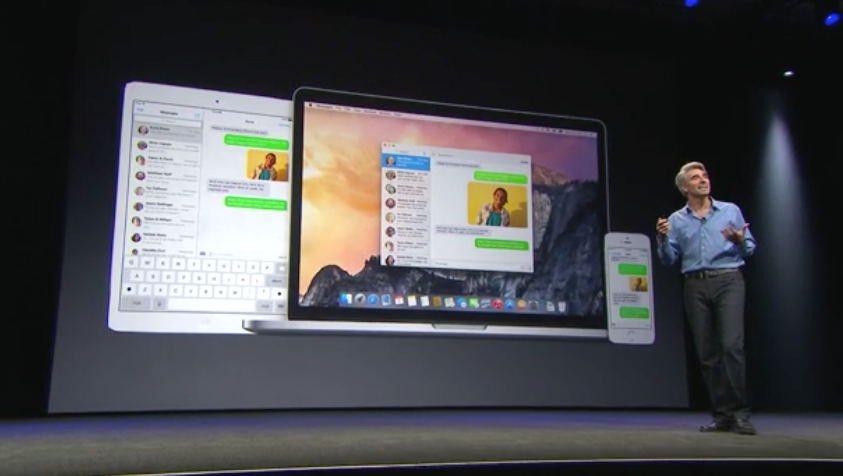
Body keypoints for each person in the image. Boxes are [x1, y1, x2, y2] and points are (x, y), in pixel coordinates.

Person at [656, 161, 757, 435]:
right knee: (707, 354)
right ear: (684, 188)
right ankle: (722, 415)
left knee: (731, 346)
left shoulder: (730, 211)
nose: (703, 180)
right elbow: (669, 259)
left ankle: (740, 414)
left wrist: (739, 241)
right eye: (695, 178)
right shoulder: (677, 220)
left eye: (704, 176)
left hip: (728, 280)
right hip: (695, 285)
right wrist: (662, 239)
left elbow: (750, 248)